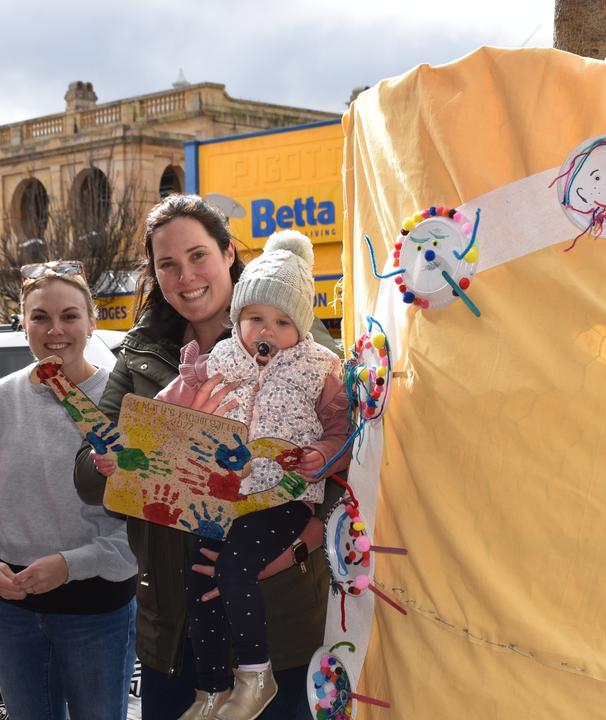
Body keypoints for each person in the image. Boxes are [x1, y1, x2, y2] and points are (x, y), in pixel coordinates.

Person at [74, 194, 346, 720]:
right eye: (167, 264)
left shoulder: (296, 338)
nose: (185, 276)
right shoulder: (142, 354)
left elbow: (344, 458)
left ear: (227, 253)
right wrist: (160, 420)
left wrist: (299, 548)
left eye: (198, 255)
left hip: (277, 617)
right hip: (174, 629)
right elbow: (89, 476)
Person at [139, 230, 350, 719]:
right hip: (224, 499)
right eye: (255, 318)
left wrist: (319, 456)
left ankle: (255, 676)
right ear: (239, 318)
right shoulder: (217, 357)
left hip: (282, 500)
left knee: (233, 572)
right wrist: (182, 400)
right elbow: (158, 419)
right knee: (199, 580)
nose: (266, 332)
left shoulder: (319, 368)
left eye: (281, 322)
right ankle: (211, 689)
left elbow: (344, 433)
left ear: (301, 326)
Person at [0, 260, 138, 720]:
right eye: (40, 317)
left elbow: (145, 521)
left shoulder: (123, 403)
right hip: (14, 614)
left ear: (92, 321)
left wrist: (71, 565)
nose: (54, 330)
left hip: (98, 612)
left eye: (69, 316)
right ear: (23, 324)